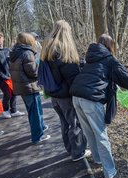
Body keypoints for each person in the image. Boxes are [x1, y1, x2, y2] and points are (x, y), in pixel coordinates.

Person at [70, 34, 128, 178]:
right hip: (91, 99)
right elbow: (125, 78)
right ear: (110, 46)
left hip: (76, 97)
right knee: (101, 134)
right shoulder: (110, 60)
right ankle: (109, 172)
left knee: (89, 131)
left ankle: (97, 159)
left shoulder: (90, 57)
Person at [40, 20, 90, 161]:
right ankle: (78, 152)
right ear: (66, 32)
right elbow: (71, 77)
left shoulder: (47, 47)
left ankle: (70, 149)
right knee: (75, 123)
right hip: (65, 96)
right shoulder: (62, 49)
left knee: (65, 123)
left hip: (54, 94)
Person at [10, 32, 50, 144]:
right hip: (29, 87)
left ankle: (41, 127)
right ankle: (37, 136)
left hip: (22, 87)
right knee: (35, 112)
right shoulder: (27, 53)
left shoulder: (15, 52)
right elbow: (33, 72)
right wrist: (39, 66)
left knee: (33, 110)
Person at [0, 31, 25, 118]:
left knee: (14, 92)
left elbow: (12, 62)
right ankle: (5, 110)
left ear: (3, 39)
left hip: (10, 76)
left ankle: (13, 110)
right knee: (7, 94)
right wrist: (3, 76)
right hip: (1, 78)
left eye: (0, 38)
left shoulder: (7, 50)